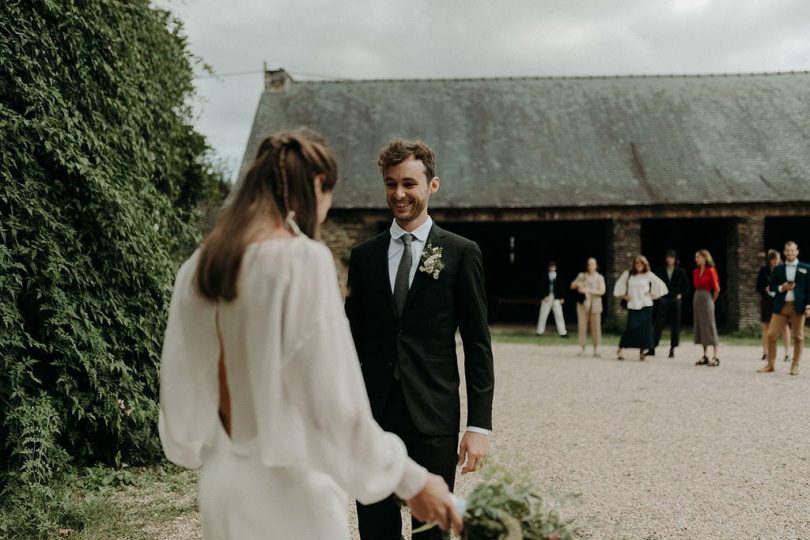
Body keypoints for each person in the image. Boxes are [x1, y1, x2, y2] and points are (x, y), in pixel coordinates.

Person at [158, 129, 461, 539]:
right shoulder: (301, 261)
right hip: (291, 493)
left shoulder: (199, 266)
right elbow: (333, 406)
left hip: (223, 486)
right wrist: (412, 481)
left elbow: (179, 407)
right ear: (318, 186)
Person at [345, 139, 494, 539]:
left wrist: (479, 425)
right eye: (391, 184)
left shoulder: (462, 253)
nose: (399, 194)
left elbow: (478, 344)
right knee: (376, 529)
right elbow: (350, 343)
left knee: (433, 531)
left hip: (434, 415)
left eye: (409, 183)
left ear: (432, 185)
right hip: (374, 416)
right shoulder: (364, 257)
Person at [758, 241, 810, 376]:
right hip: (781, 306)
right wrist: (782, 287)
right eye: (787, 250)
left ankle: (795, 366)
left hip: (798, 307)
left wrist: (809, 306)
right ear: (784, 252)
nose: (790, 253)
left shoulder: (806, 268)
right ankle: (770, 365)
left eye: (792, 250)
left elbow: (809, 290)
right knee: (771, 334)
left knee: (798, 337)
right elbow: (772, 287)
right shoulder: (778, 269)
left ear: (797, 251)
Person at [613, 255, 668, 361]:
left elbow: (661, 285)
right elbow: (618, 286)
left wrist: (653, 294)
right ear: (634, 264)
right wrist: (624, 295)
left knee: (645, 329)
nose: (639, 265)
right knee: (631, 327)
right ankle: (621, 349)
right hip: (633, 305)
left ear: (645, 264)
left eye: (641, 263)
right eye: (637, 263)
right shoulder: (628, 274)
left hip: (646, 305)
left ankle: (642, 351)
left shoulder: (648, 275)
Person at [651, 249, 690, 358]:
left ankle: (672, 348)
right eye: (668, 257)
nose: (669, 259)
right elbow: (655, 284)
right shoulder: (660, 271)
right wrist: (657, 295)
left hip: (675, 300)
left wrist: (680, 295)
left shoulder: (681, 272)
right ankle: (653, 347)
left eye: (671, 257)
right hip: (663, 299)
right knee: (658, 323)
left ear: (675, 259)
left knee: (675, 324)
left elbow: (687, 287)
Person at [756, 249, 791, 362]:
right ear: (770, 260)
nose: (777, 261)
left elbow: (788, 285)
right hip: (767, 301)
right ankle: (765, 352)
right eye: (775, 259)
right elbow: (758, 286)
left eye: (778, 258)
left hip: (780, 300)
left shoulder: (783, 270)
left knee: (785, 326)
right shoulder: (763, 270)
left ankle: (787, 353)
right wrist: (765, 289)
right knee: (766, 326)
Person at [570, 257, 606, 357]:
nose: (590, 267)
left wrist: (588, 290)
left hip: (595, 304)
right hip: (582, 304)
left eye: (592, 264)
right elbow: (572, 286)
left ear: (596, 266)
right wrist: (578, 284)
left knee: (596, 326)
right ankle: (582, 348)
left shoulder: (600, 277)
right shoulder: (582, 276)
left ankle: (596, 348)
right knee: (582, 326)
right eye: (589, 264)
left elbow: (602, 291)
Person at [692, 249, 721, 366]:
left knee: (710, 325)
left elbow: (717, 288)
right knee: (700, 326)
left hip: (707, 298)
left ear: (704, 258)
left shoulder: (711, 271)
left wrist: (712, 300)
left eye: (698, 257)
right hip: (697, 298)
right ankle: (705, 355)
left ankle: (716, 356)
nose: (696, 259)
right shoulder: (696, 271)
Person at [536, 260, 568, 337]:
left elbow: (562, 288)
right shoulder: (545, 276)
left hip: (556, 297)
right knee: (543, 314)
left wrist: (562, 297)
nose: (552, 268)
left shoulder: (558, 276)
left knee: (559, 315)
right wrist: (544, 295)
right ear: (549, 268)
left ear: (555, 268)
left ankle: (563, 332)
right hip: (547, 297)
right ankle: (539, 331)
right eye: (551, 267)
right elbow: (541, 286)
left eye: (553, 267)